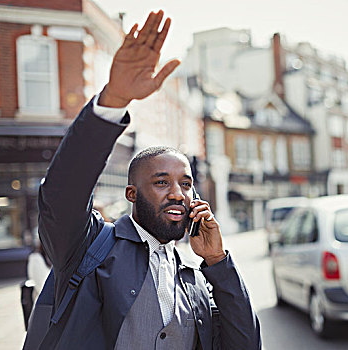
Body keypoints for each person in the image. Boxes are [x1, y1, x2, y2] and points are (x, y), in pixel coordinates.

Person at [32, 10, 261, 349]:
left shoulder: (193, 278)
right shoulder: (88, 248)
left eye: (185, 183)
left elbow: (244, 344)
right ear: (131, 193)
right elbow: (62, 194)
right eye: (160, 182)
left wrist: (217, 261)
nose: (178, 194)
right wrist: (113, 100)